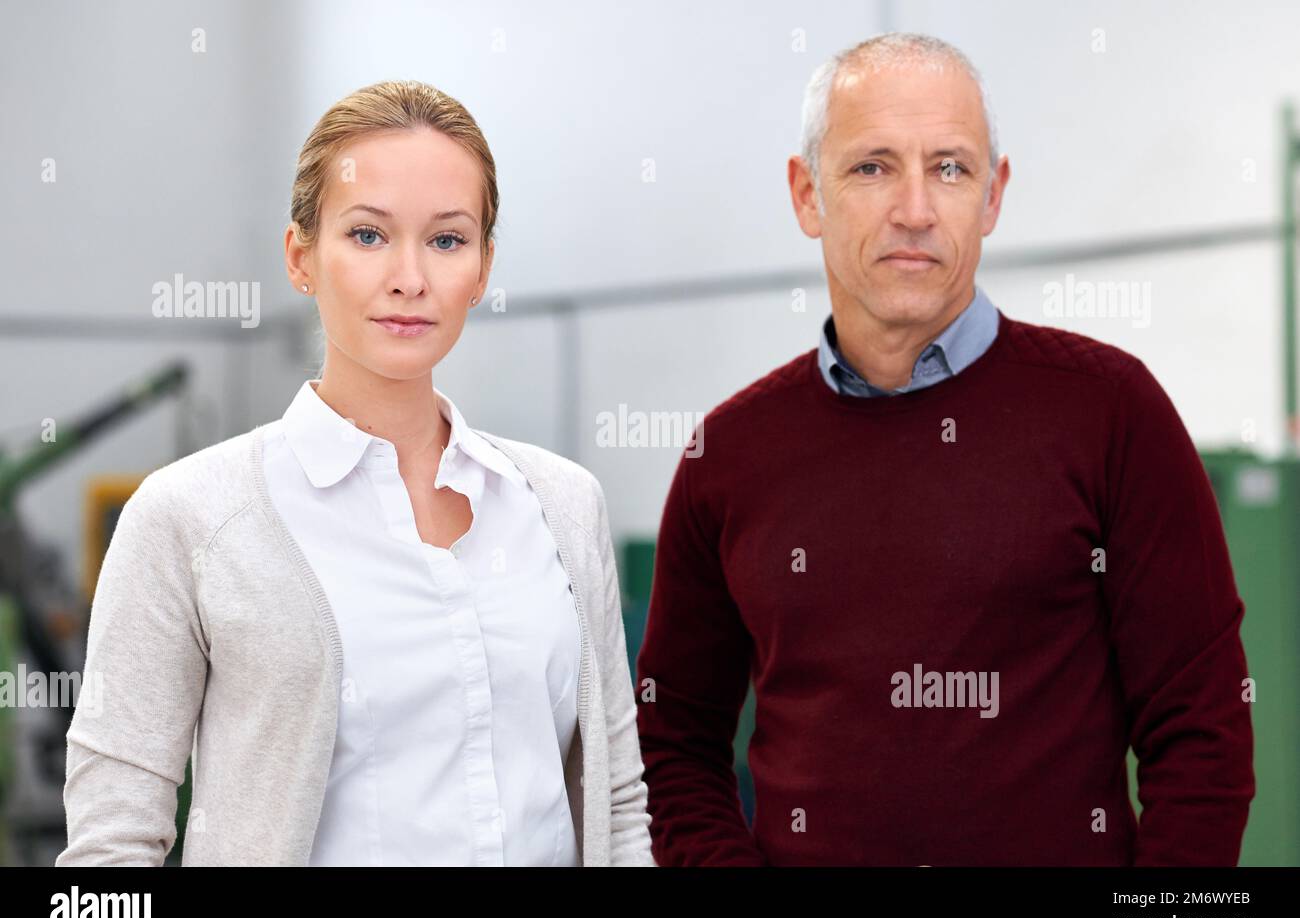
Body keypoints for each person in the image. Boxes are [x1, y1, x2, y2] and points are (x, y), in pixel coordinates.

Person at [635, 33, 1253, 866]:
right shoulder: (729, 456)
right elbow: (673, 747)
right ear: (806, 194)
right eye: (873, 166)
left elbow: (1204, 732)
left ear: (993, 197)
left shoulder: (1113, 412)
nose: (916, 209)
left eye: (951, 168)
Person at [57, 80, 653, 866]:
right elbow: (110, 850)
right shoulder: (188, 518)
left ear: (482, 269)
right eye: (368, 236)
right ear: (301, 258)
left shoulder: (563, 505)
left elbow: (616, 803)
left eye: (447, 240)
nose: (410, 277)